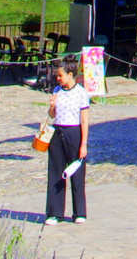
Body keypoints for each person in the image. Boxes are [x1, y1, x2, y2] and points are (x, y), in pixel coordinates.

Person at [44, 56, 89, 225]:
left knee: (76, 172)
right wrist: (52, 106)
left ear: (70, 75)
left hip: (74, 132)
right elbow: (51, 115)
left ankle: (79, 212)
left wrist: (83, 143)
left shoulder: (81, 93)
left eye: (60, 75)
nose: (58, 78)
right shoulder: (57, 90)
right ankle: (55, 212)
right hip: (58, 132)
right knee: (56, 171)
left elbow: (84, 120)